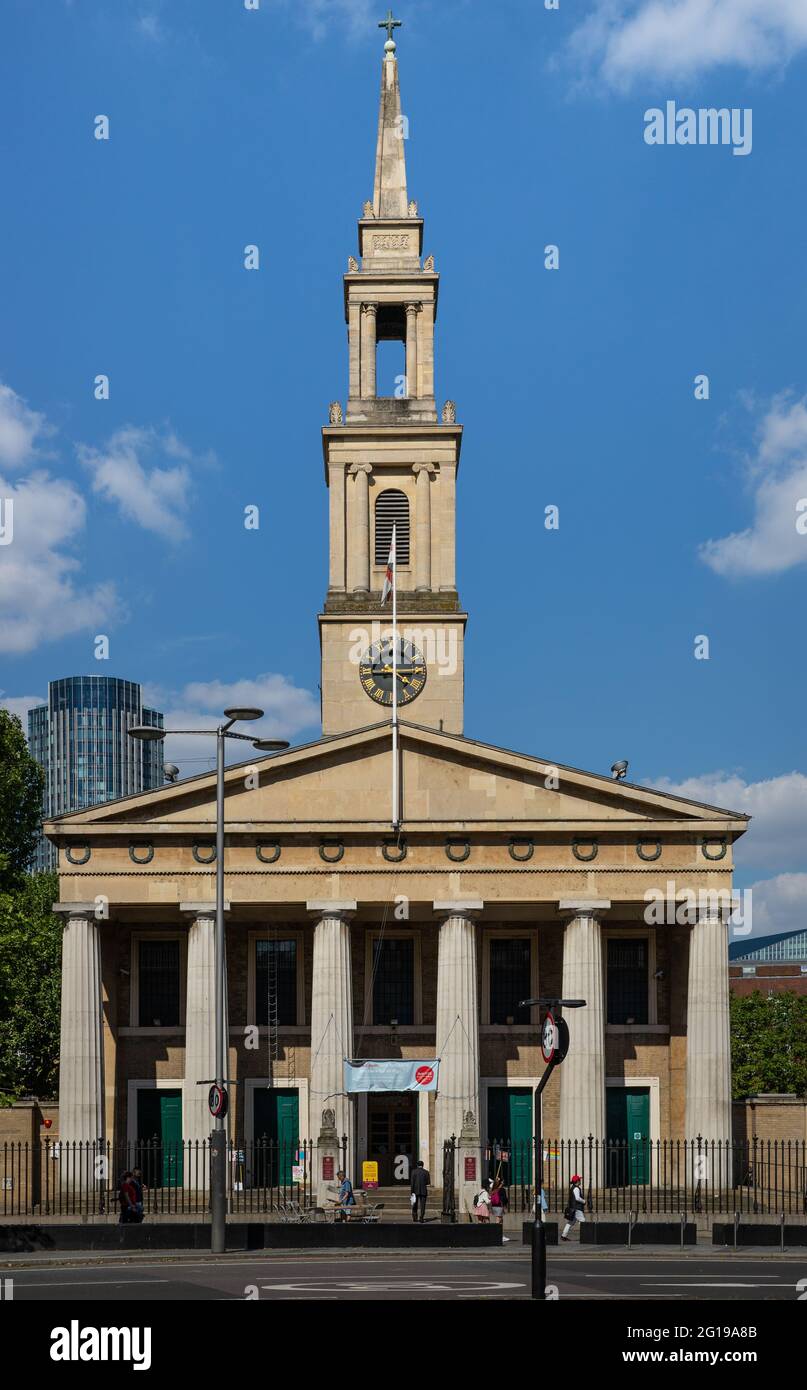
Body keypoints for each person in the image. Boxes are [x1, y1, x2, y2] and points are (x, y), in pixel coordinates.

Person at [561, 1173, 586, 1241]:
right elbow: (577, 1198)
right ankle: (585, 1236)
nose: (580, 1181)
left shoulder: (573, 1188)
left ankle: (563, 1235)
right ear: (577, 1181)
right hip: (576, 1208)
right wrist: (584, 1201)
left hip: (573, 1207)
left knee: (571, 1222)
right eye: (579, 1180)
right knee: (583, 1221)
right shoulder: (576, 1189)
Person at [490, 1177, 510, 1241]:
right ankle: (498, 1235)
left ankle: (500, 1235)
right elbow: (505, 1199)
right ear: (501, 1182)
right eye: (503, 1182)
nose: (503, 1183)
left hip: (494, 1206)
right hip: (499, 1206)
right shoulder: (502, 1189)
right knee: (499, 1221)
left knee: (499, 1220)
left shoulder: (494, 1189)